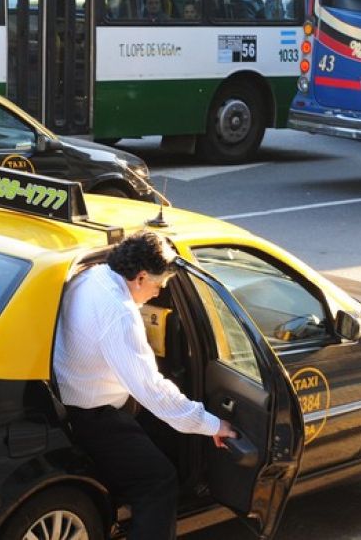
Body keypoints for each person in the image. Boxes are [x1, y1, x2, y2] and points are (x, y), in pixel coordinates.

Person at [54, 231, 236, 540]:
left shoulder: (90, 276)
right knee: (158, 481)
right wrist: (211, 424)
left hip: (74, 397)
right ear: (140, 277)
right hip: (94, 417)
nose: (157, 294)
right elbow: (151, 389)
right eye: (158, 285)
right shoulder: (120, 313)